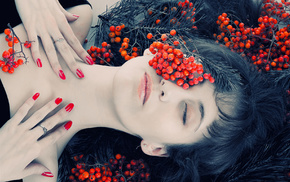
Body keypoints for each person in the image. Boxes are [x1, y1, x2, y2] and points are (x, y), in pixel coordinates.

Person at [0, 0, 289, 182]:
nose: (169, 90)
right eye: (185, 74)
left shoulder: (31, 167)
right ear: (159, 49)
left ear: (157, 148)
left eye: (186, 113)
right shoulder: (69, 13)